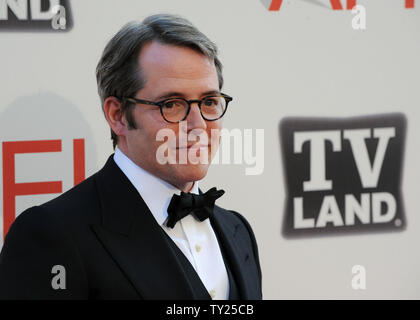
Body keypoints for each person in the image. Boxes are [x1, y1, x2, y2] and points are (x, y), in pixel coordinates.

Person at [0, 14, 262, 300]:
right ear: (118, 115)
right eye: (172, 105)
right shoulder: (52, 234)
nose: (198, 126)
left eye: (209, 102)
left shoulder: (237, 229)